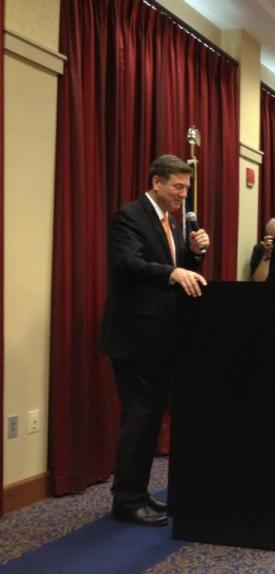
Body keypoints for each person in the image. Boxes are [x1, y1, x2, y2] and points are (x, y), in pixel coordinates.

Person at [101, 154, 210, 526]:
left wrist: (194, 254)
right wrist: (175, 270)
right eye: (178, 187)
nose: (183, 194)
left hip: (161, 338)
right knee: (139, 421)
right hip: (134, 340)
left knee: (149, 422)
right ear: (156, 183)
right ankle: (127, 501)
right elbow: (127, 265)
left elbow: (181, 272)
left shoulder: (171, 222)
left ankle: (139, 492)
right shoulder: (130, 217)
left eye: (186, 188)